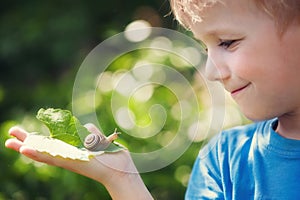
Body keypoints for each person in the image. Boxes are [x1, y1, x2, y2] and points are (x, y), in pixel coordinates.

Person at [5, 0, 300, 199]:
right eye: (205, 47)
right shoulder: (225, 162)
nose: (211, 71)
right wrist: (122, 179)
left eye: (227, 42)